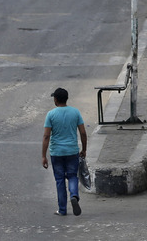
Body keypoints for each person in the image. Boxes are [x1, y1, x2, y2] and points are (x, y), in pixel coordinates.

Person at [41, 88, 87, 217]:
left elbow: (46, 136)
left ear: (55, 99)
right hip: (72, 151)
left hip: (57, 153)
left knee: (60, 180)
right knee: (72, 176)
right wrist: (84, 149)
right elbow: (83, 132)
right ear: (66, 99)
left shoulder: (51, 114)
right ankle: (74, 195)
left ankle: (62, 209)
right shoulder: (75, 112)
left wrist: (43, 156)